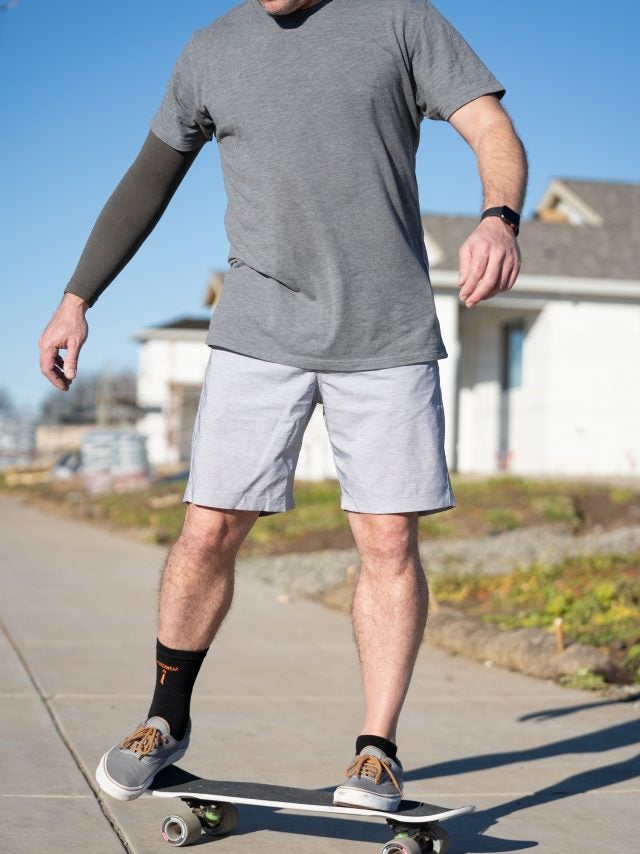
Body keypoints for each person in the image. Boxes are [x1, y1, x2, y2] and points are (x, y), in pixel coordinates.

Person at [39, 0, 527, 810]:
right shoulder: (212, 49)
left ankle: (376, 751)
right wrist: (76, 297)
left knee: (387, 541)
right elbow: (149, 178)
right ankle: (164, 719)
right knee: (208, 528)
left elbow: (491, 127)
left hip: (387, 332)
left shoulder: (399, 19)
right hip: (257, 328)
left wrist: (500, 218)